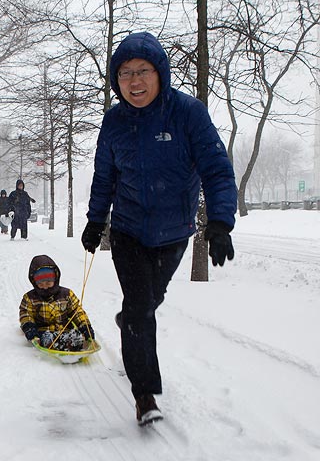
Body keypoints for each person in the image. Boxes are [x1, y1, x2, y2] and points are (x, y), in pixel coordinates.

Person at [81, 32, 237, 426]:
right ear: (116, 80)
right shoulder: (114, 121)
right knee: (138, 308)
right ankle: (144, 395)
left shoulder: (188, 113)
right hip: (129, 231)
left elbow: (216, 169)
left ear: (160, 73)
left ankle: (129, 323)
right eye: (125, 73)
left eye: (143, 71)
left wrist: (219, 222)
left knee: (148, 303)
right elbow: (105, 177)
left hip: (174, 233)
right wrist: (95, 220)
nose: (134, 81)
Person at [19, 255, 95, 351]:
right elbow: (26, 314)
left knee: (76, 337)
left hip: (65, 330)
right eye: (40, 284)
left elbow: (77, 312)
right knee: (47, 339)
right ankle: (56, 344)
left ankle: (73, 343)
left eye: (48, 283)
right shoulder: (30, 298)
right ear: (34, 283)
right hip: (43, 332)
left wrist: (85, 327)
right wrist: (29, 328)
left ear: (55, 279)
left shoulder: (67, 294)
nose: (45, 287)